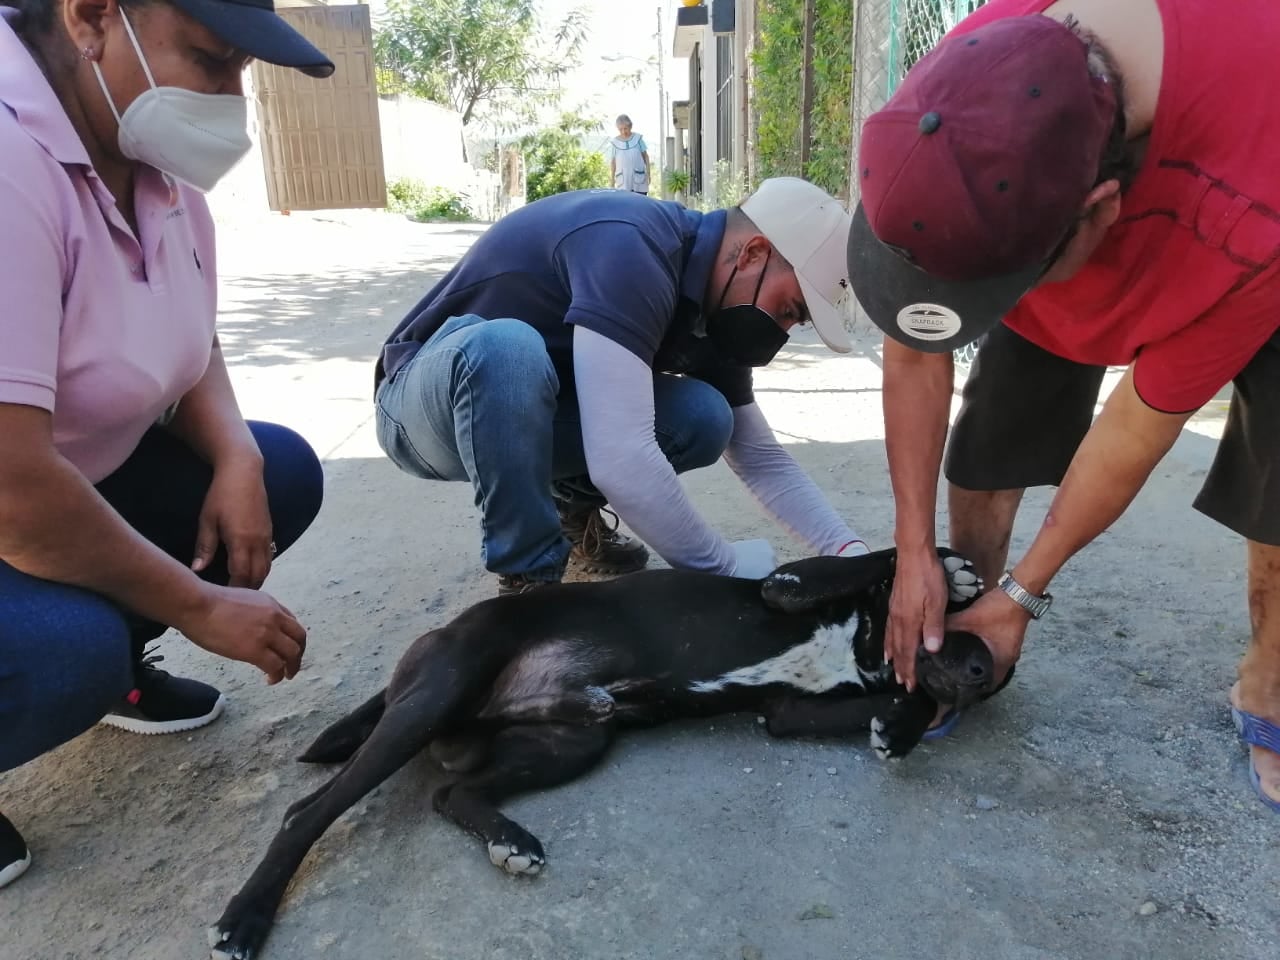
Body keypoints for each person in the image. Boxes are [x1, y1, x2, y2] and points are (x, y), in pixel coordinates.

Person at [846, 0, 1280, 811]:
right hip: (1054, 222)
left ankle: (1269, 684)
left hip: (1253, 235)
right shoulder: (967, 82)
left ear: (1102, 211)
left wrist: (1028, 593)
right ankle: (966, 611)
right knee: (993, 435)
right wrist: (914, 552)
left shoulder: (1255, 201)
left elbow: (1137, 426)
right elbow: (917, 342)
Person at [0, 0, 333, 888]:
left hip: (49, 490)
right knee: (65, 652)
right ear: (91, 17)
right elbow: (15, 493)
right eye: (210, 60)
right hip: (13, 497)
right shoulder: (9, 165)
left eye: (242, 73)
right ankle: (89, 661)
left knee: (279, 471)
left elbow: (189, 335)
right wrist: (196, 603)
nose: (230, 101)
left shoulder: (147, 157)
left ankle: (117, 667)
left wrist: (234, 453)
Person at [376, 177, 869, 597]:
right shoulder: (632, 246)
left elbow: (761, 458)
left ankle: (570, 511)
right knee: (508, 349)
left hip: (524, 406)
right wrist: (720, 568)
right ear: (753, 253)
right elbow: (622, 457)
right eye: (788, 309)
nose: (781, 331)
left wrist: (852, 555)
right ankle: (528, 580)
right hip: (421, 407)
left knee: (704, 417)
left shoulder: (709, 304)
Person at [609, 114, 650, 195]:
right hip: (623, 181)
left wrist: (649, 173)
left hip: (639, 179)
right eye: (620, 129)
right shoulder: (615, 142)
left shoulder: (638, 139)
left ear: (630, 127)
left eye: (625, 128)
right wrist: (612, 179)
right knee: (625, 204)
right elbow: (613, 162)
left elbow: (646, 157)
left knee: (641, 203)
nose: (623, 132)